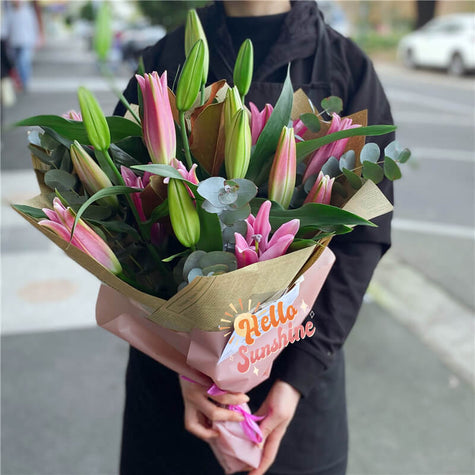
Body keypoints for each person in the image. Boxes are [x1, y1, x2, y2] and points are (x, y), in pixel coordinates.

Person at [114, 1, 394, 474]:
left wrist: (294, 382)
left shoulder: (345, 67)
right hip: (173, 388)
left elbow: (361, 242)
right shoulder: (165, 59)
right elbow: (124, 215)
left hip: (294, 379)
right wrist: (186, 367)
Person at [4, 0, 44, 91]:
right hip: (14, 42)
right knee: (17, 63)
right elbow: (6, 28)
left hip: (26, 41)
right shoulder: (10, 12)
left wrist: (36, 40)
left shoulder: (28, 12)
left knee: (24, 61)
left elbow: (34, 26)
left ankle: (25, 81)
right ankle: (21, 81)